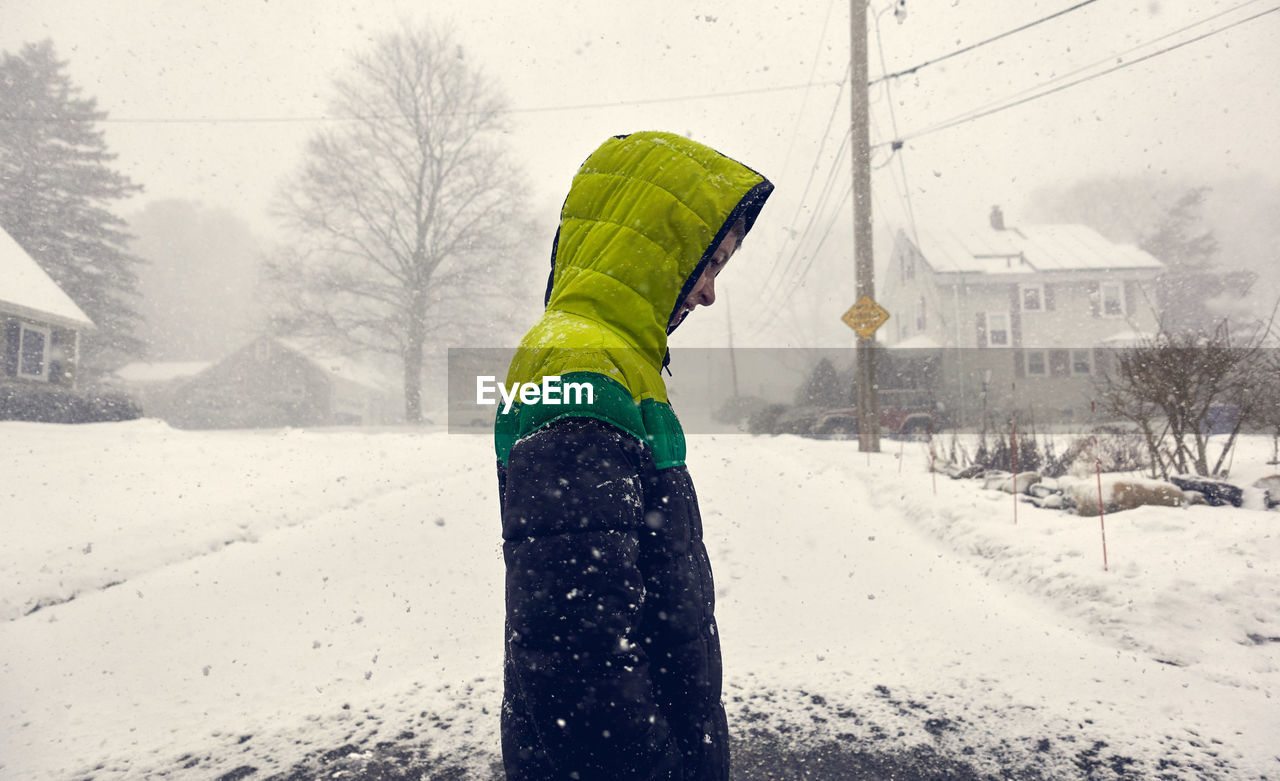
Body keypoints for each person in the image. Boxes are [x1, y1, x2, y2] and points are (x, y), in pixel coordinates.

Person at [494, 131, 773, 780]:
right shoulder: (580, 361)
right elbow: (578, 653)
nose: (708, 292)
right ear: (657, 250)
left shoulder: (619, 361)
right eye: (709, 262)